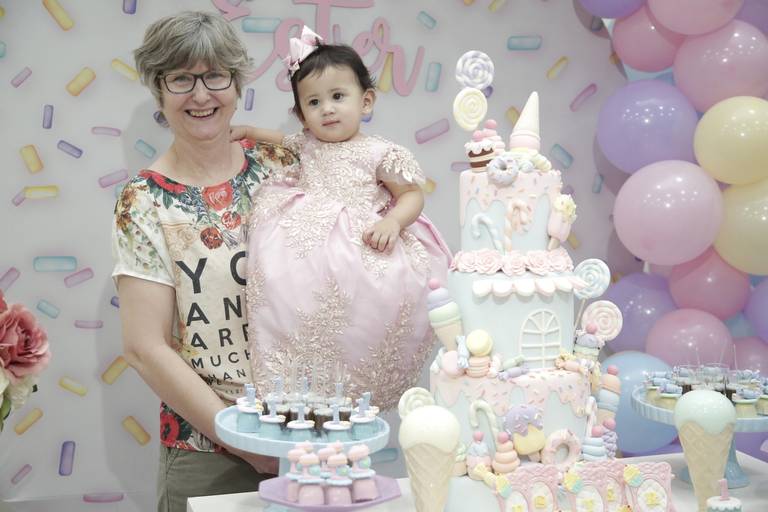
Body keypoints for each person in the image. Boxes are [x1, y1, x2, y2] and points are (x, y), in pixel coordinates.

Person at [111, 11, 295, 512]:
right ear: (158, 91)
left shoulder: (282, 166)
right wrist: (242, 441)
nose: (200, 94)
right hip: (210, 451)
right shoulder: (143, 202)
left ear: (236, 84)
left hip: (310, 434)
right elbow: (145, 347)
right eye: (181, 79)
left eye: (215, 76)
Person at [230, 27, 452, 411]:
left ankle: (351, 385)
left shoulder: (377, 152)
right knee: (292, 299)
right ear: (302, 116)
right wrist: (247, 131)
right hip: (308, 246)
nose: (327, 109)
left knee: (358, 312)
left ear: (365, 101)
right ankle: (298, 379)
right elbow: (279, 140)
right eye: (314, 102)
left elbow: (412, 194)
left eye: (338, 97)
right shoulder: (306, 143)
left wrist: (393, 223)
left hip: (356, 244)